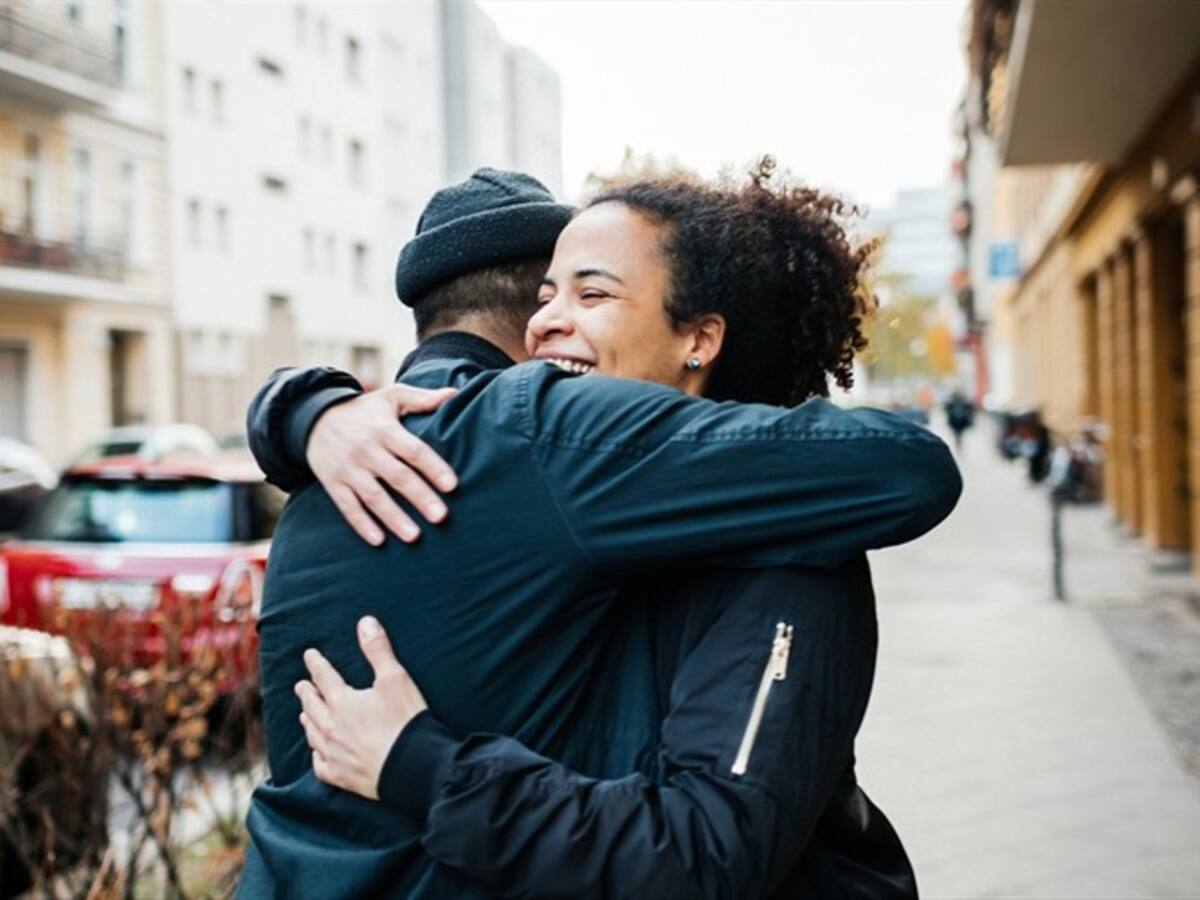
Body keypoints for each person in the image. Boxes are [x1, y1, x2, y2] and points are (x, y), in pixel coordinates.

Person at [239, 165, 960, 898]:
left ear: (700, 338)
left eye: (593, 293)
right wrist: (304, 409)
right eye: (547, 294)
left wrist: (423, 765)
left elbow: (709, 850)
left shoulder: (786, 547)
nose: (549, 320)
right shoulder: (564, 497)